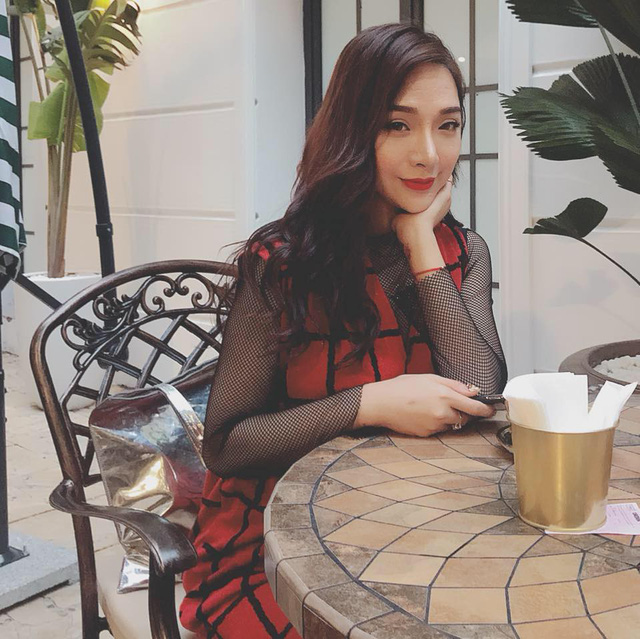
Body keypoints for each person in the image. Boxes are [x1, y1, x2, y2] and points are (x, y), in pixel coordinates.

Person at [180, 23, 507, 639]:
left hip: (412, 520)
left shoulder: (461, 251)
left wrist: (420, 247)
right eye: (397, 125)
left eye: (448, 125)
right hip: (276, 544)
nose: (429, 155)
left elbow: (480, 389)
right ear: (353, 130)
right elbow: (226, 444)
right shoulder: (281, 262)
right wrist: (369, 404)